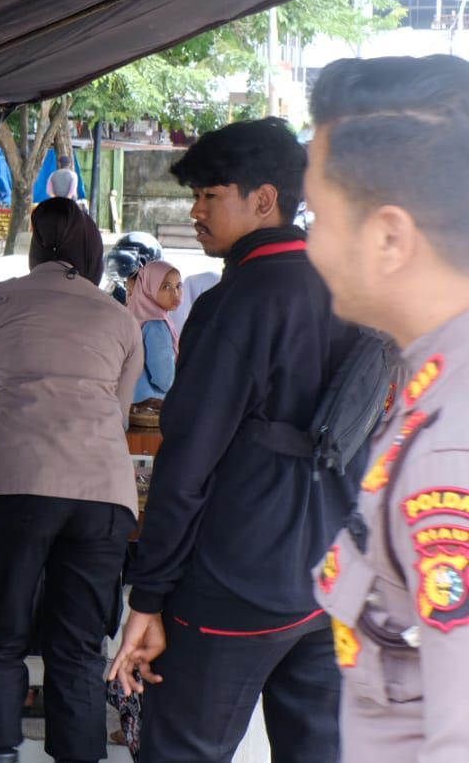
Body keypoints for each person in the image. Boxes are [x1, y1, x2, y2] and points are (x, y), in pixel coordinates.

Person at [108, 118, 362, 763]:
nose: (195, 211)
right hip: (328, 572)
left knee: (184, 748)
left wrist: (150, 594)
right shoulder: (347, 287)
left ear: (264, 199)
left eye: (209, 195)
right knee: (317, 749)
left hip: (236, 578)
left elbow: (188, 462)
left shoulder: (239, 300)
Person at [302, 56, 469, 758]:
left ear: (391, 237)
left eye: (315, 214)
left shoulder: (448, 451)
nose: (307, 240)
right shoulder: (427, 388)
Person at [0, 198, 143, 763]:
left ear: (35, 245)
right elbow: (119, 411)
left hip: (14, 482)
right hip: (103, 492)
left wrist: (0, 448)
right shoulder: (118, 315)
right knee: (81, 649)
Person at [128, 260, 182, 404]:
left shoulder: (131, 318)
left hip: (129, 399)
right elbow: (164, 379)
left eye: (178, 286)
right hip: (152, 405)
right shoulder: (156, 325)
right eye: (166, 287)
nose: (175, 293)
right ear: (148, 287)